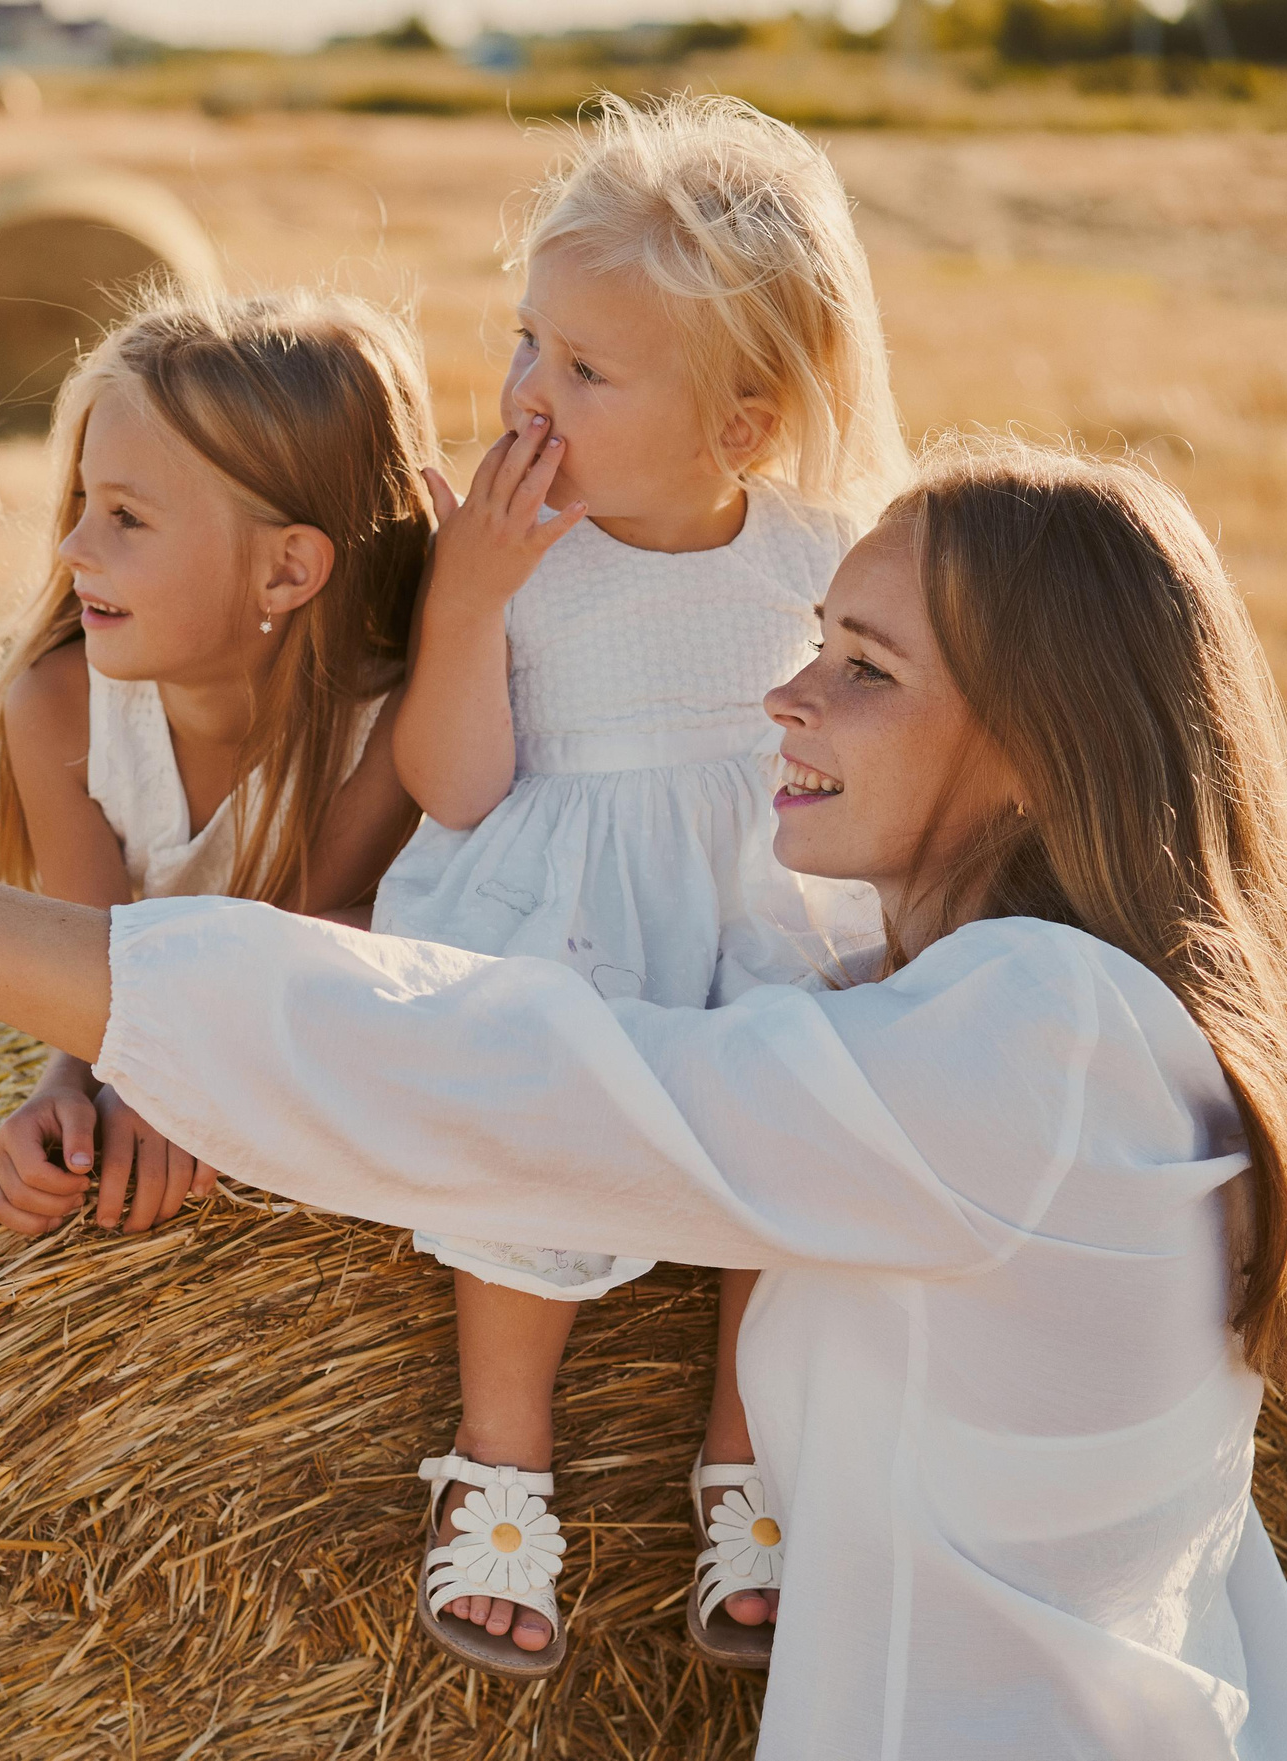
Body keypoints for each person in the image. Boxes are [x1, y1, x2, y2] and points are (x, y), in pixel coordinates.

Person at [0, 438, 1287, 1758]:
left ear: (1035, 742)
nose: (784, 699)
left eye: (860, 666)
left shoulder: (1044, 1045)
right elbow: (1209, 1597)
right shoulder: (1051, 1034)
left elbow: (496, 1077)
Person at [377, 93, 904, 1671]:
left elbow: (874, 752)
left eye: (584, 371)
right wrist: (468, 603)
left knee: (806, 1126)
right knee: (529, 1136)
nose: (526, 394)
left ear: (737, 427)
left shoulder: (819, 552)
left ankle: (747, 1465)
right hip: (568, 915)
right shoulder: (516, 551)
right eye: (525, 343)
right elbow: (454, 790)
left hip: (757, 900)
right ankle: (503, 1465)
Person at [0, 289, 430, 1239]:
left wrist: (178, 1083)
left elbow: (296, 953)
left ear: (287, 571)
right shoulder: (59, 708)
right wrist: (61, 1092)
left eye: (125, 517)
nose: (73, 546)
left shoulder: (397, 733)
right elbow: (88, 968)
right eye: (83, 501)